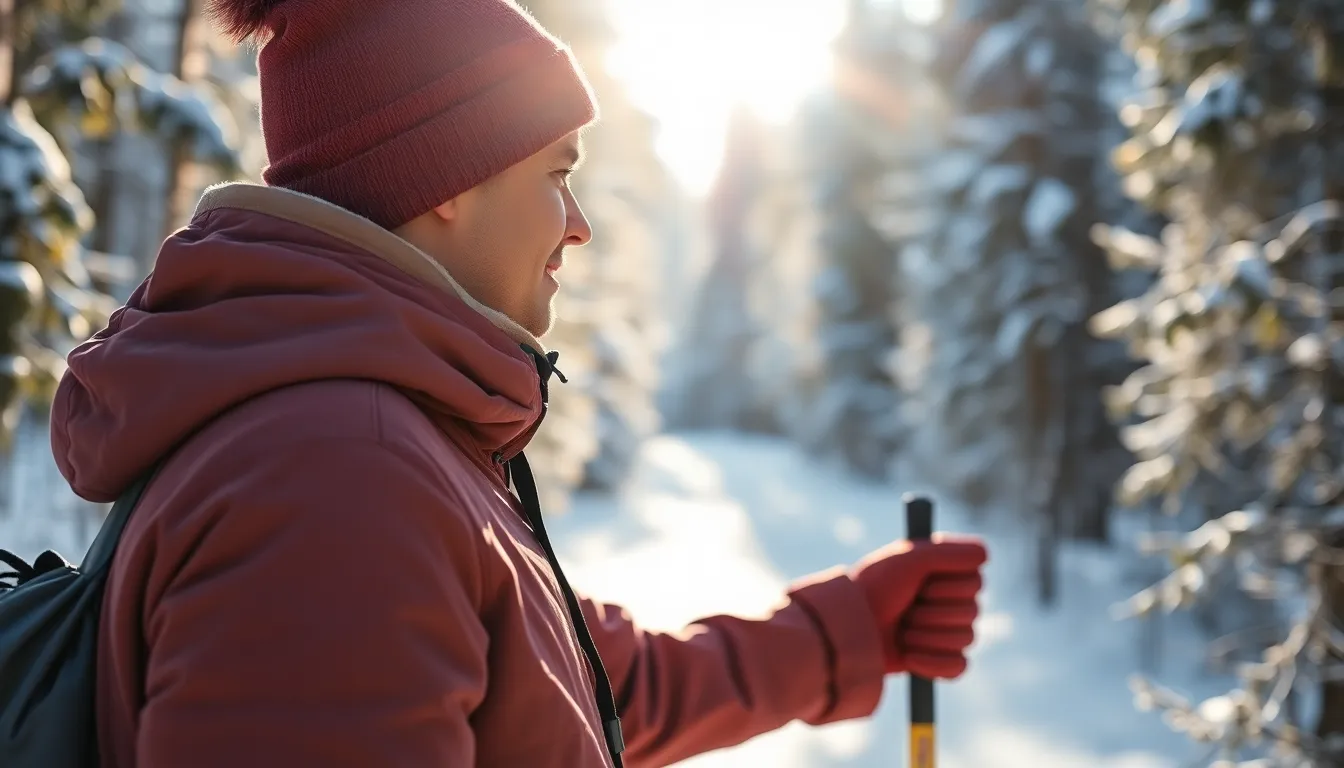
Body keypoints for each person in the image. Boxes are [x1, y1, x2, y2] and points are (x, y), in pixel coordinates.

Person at [50, 1, 989, 766]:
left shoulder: (360, 434)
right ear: (446, 176)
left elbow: (567, 689)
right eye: (556, 172)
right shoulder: (338, 479)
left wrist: (844, 634)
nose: (577, 224)